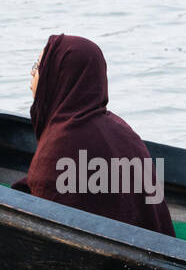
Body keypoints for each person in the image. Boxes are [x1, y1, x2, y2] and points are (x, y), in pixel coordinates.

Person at [13, 35, 174, 235]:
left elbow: (46, 222)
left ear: (58, 75)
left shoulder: (61, 143)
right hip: (155, 248)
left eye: (38, 66)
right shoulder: (121, 128)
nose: (32, 73)